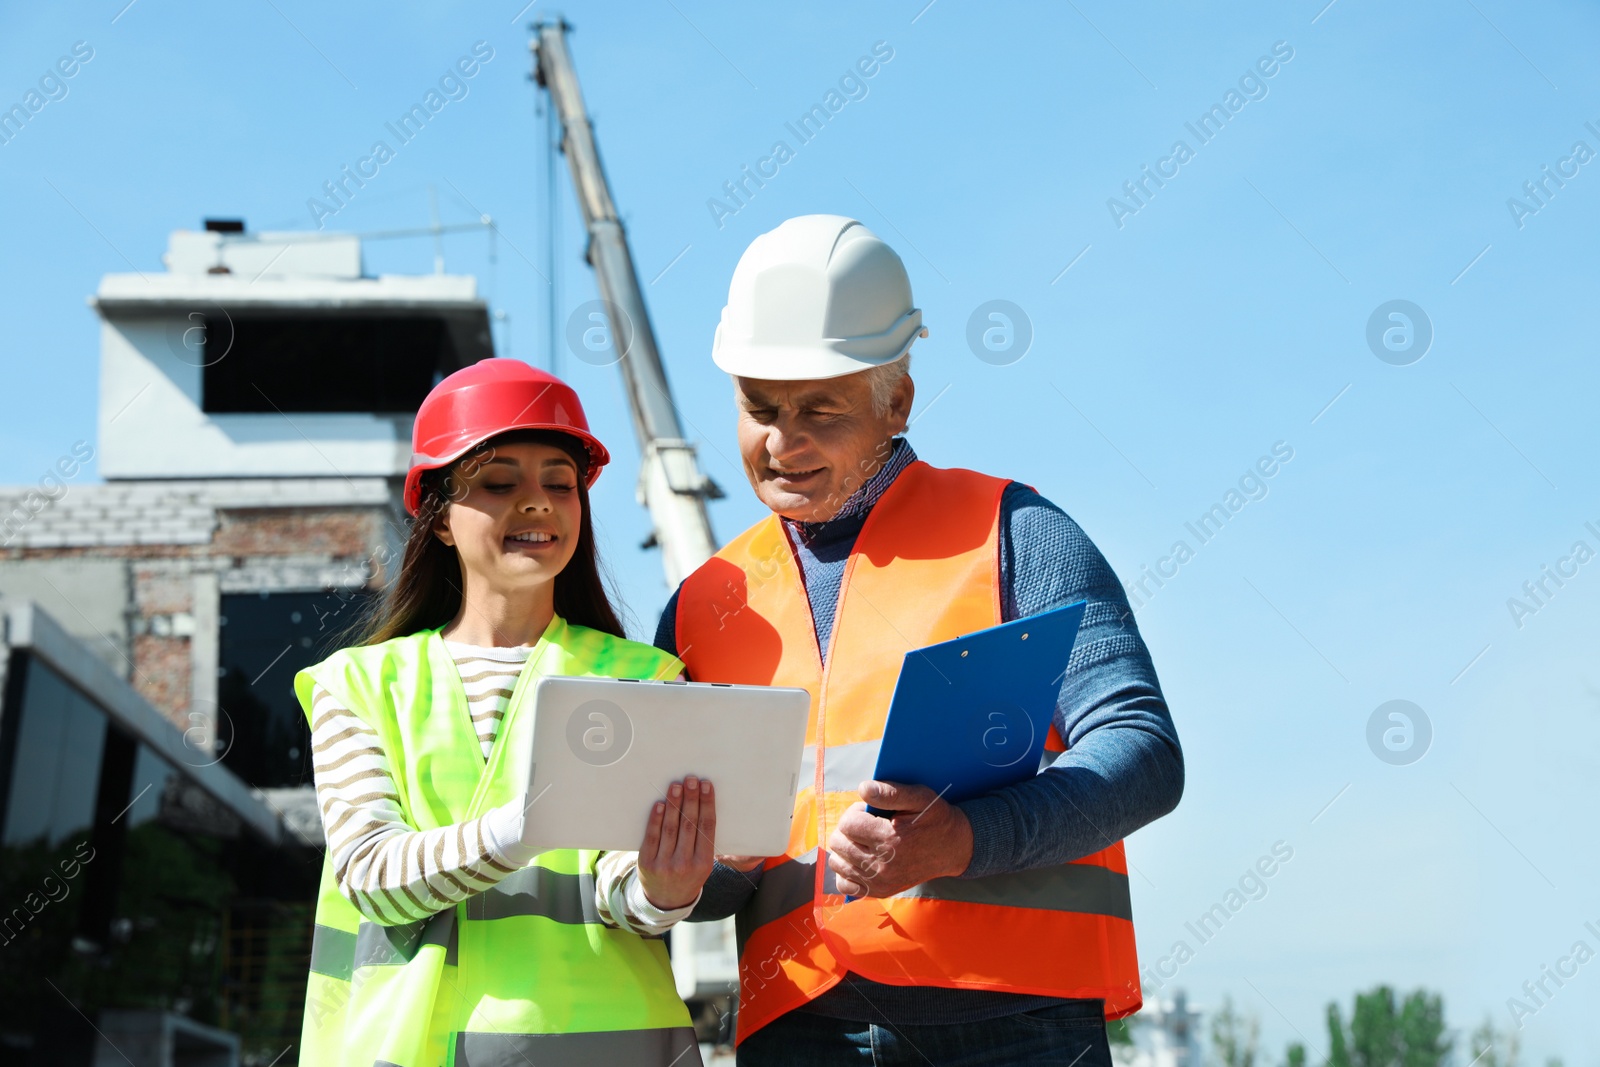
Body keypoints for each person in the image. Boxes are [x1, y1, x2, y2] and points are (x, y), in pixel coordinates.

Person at [659, 215, 1186, 1065]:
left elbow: (1144, 752)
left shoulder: (1015, 533)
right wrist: (691, 872)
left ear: (896, 401)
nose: (780, 442)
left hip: (1009, 1018)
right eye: (759, 408)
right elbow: (710, 881)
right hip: (797, 1023)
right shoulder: (700, 605)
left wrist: (965, 840)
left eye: (818, 410)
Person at [295, 359, 718, 1067]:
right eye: (499, 483)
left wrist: (663, 887)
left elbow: (622, 895)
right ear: (438, 519)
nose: (538, 502)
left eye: (560, 482)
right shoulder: (358, 685)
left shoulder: (644, 676)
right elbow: (371, 872)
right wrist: (531, 823)